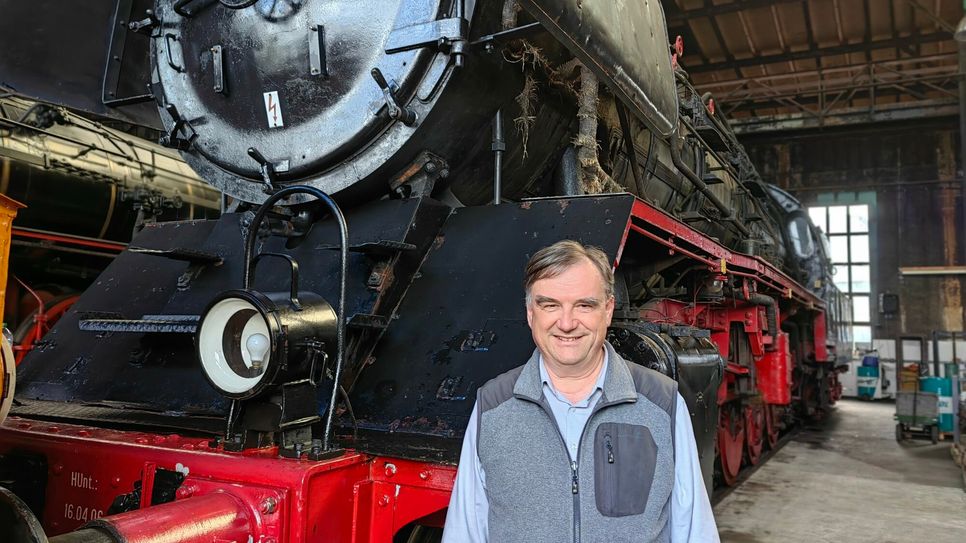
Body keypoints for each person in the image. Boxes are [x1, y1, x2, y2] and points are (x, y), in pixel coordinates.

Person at [442, 240, 718, 543]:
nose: (567, 323)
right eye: (550, 305)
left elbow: (695, 531)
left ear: (608, 310)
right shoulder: (492, 406)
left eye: (584, 305)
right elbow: (464, 533)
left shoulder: (661, 403)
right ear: (531, 313)